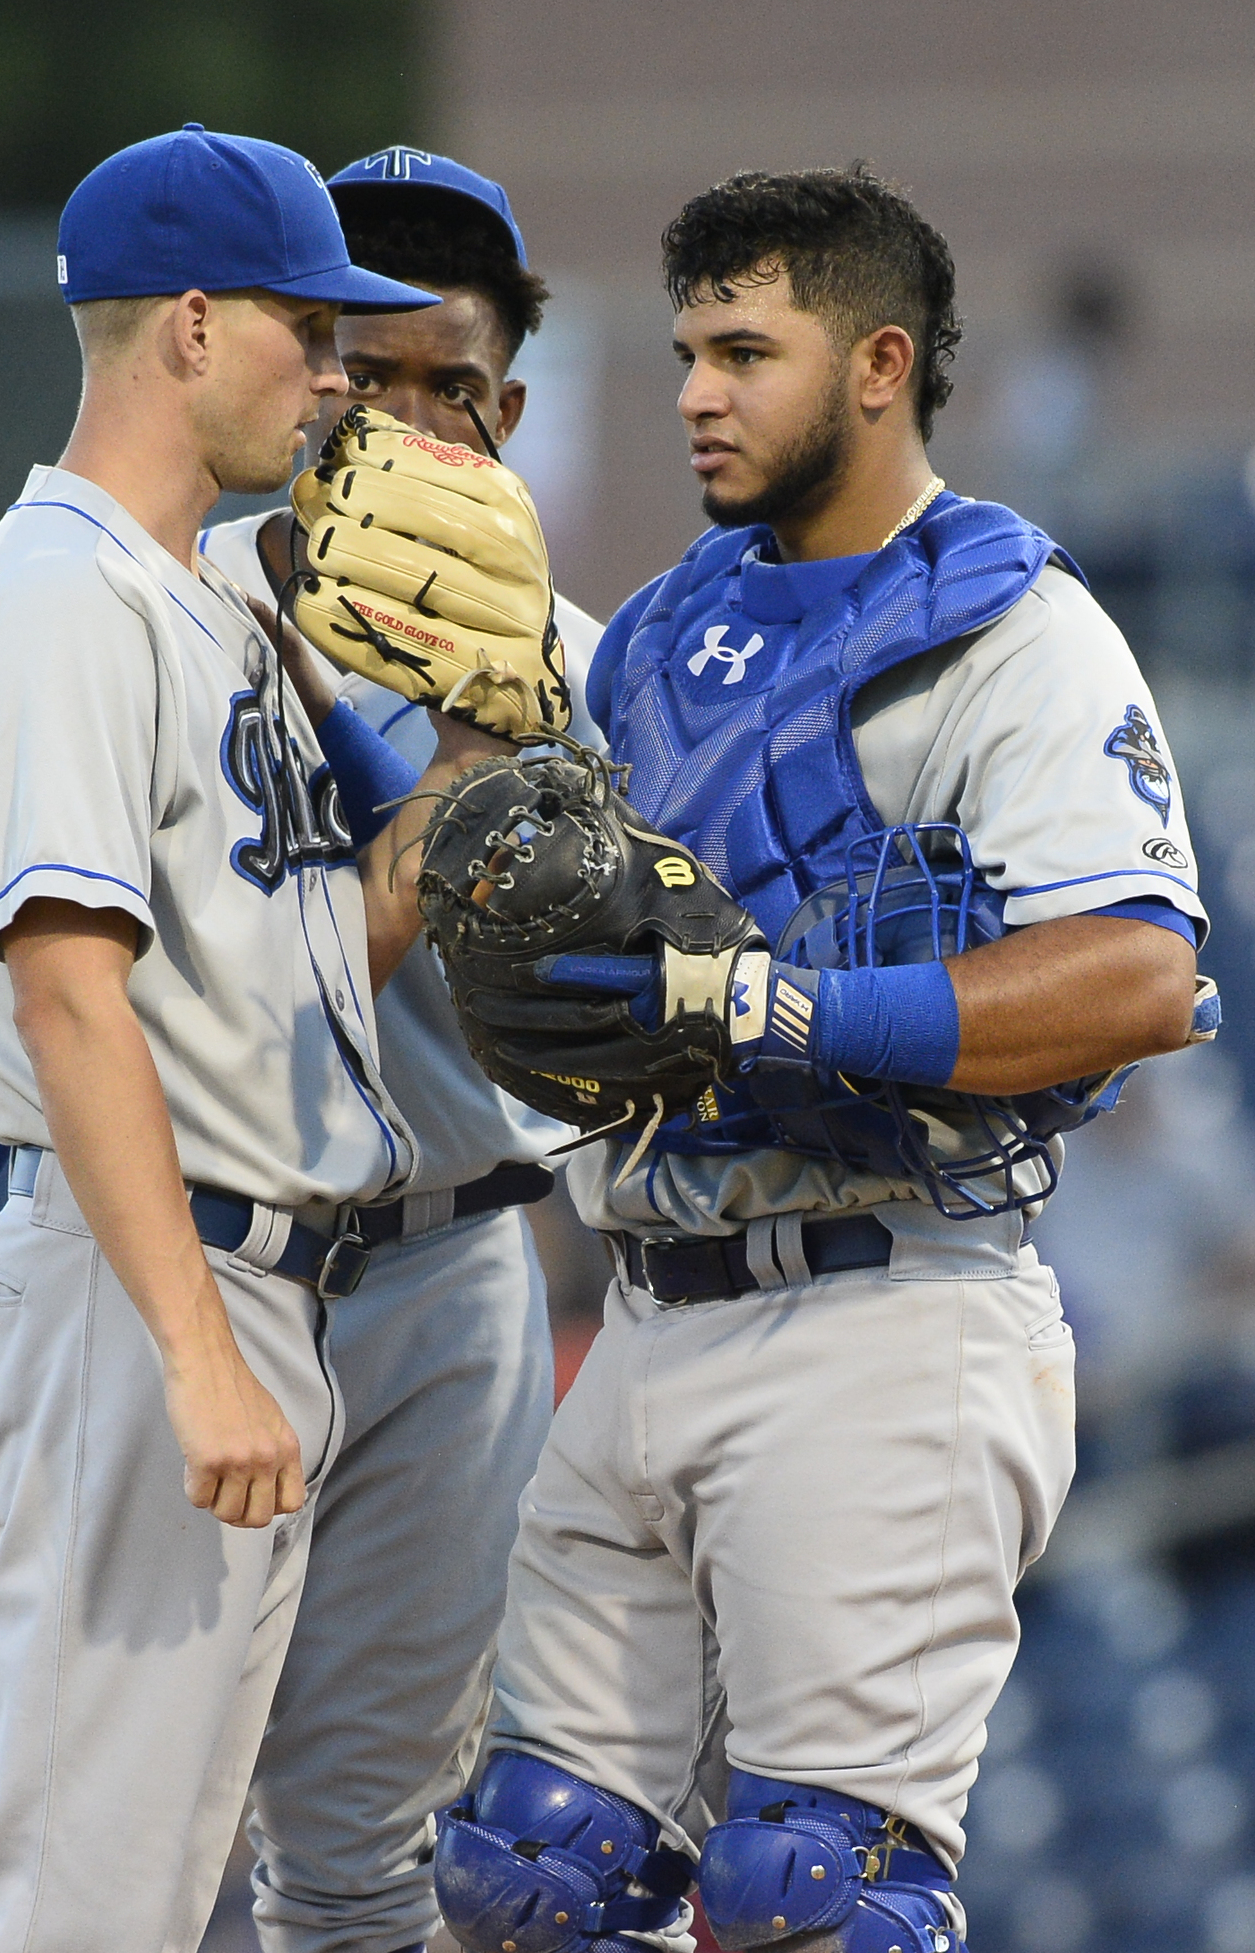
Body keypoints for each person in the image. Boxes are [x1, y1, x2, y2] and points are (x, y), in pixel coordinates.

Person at [429, 169, 1210, 1953]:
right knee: (532, 1881)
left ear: (874, 365)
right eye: (690, 345)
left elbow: (1141, 975)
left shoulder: (1011, 628)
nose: (694, 388)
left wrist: (775, 1005)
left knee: (811, 1901)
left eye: (741, 350)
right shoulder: (654, 638)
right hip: (643, 1311)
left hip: (882, 1310)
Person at [0, 147, 602, 1953]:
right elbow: (66, 995)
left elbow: (337, 929)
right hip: (155, 1283)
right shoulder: (60, 595)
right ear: (194, 324)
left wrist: (472, 747)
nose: (333, 376)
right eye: (311, 330)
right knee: (87, 1903)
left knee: (191, 1882)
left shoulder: (206, 598)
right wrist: (191, 1345)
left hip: (267, 1280)